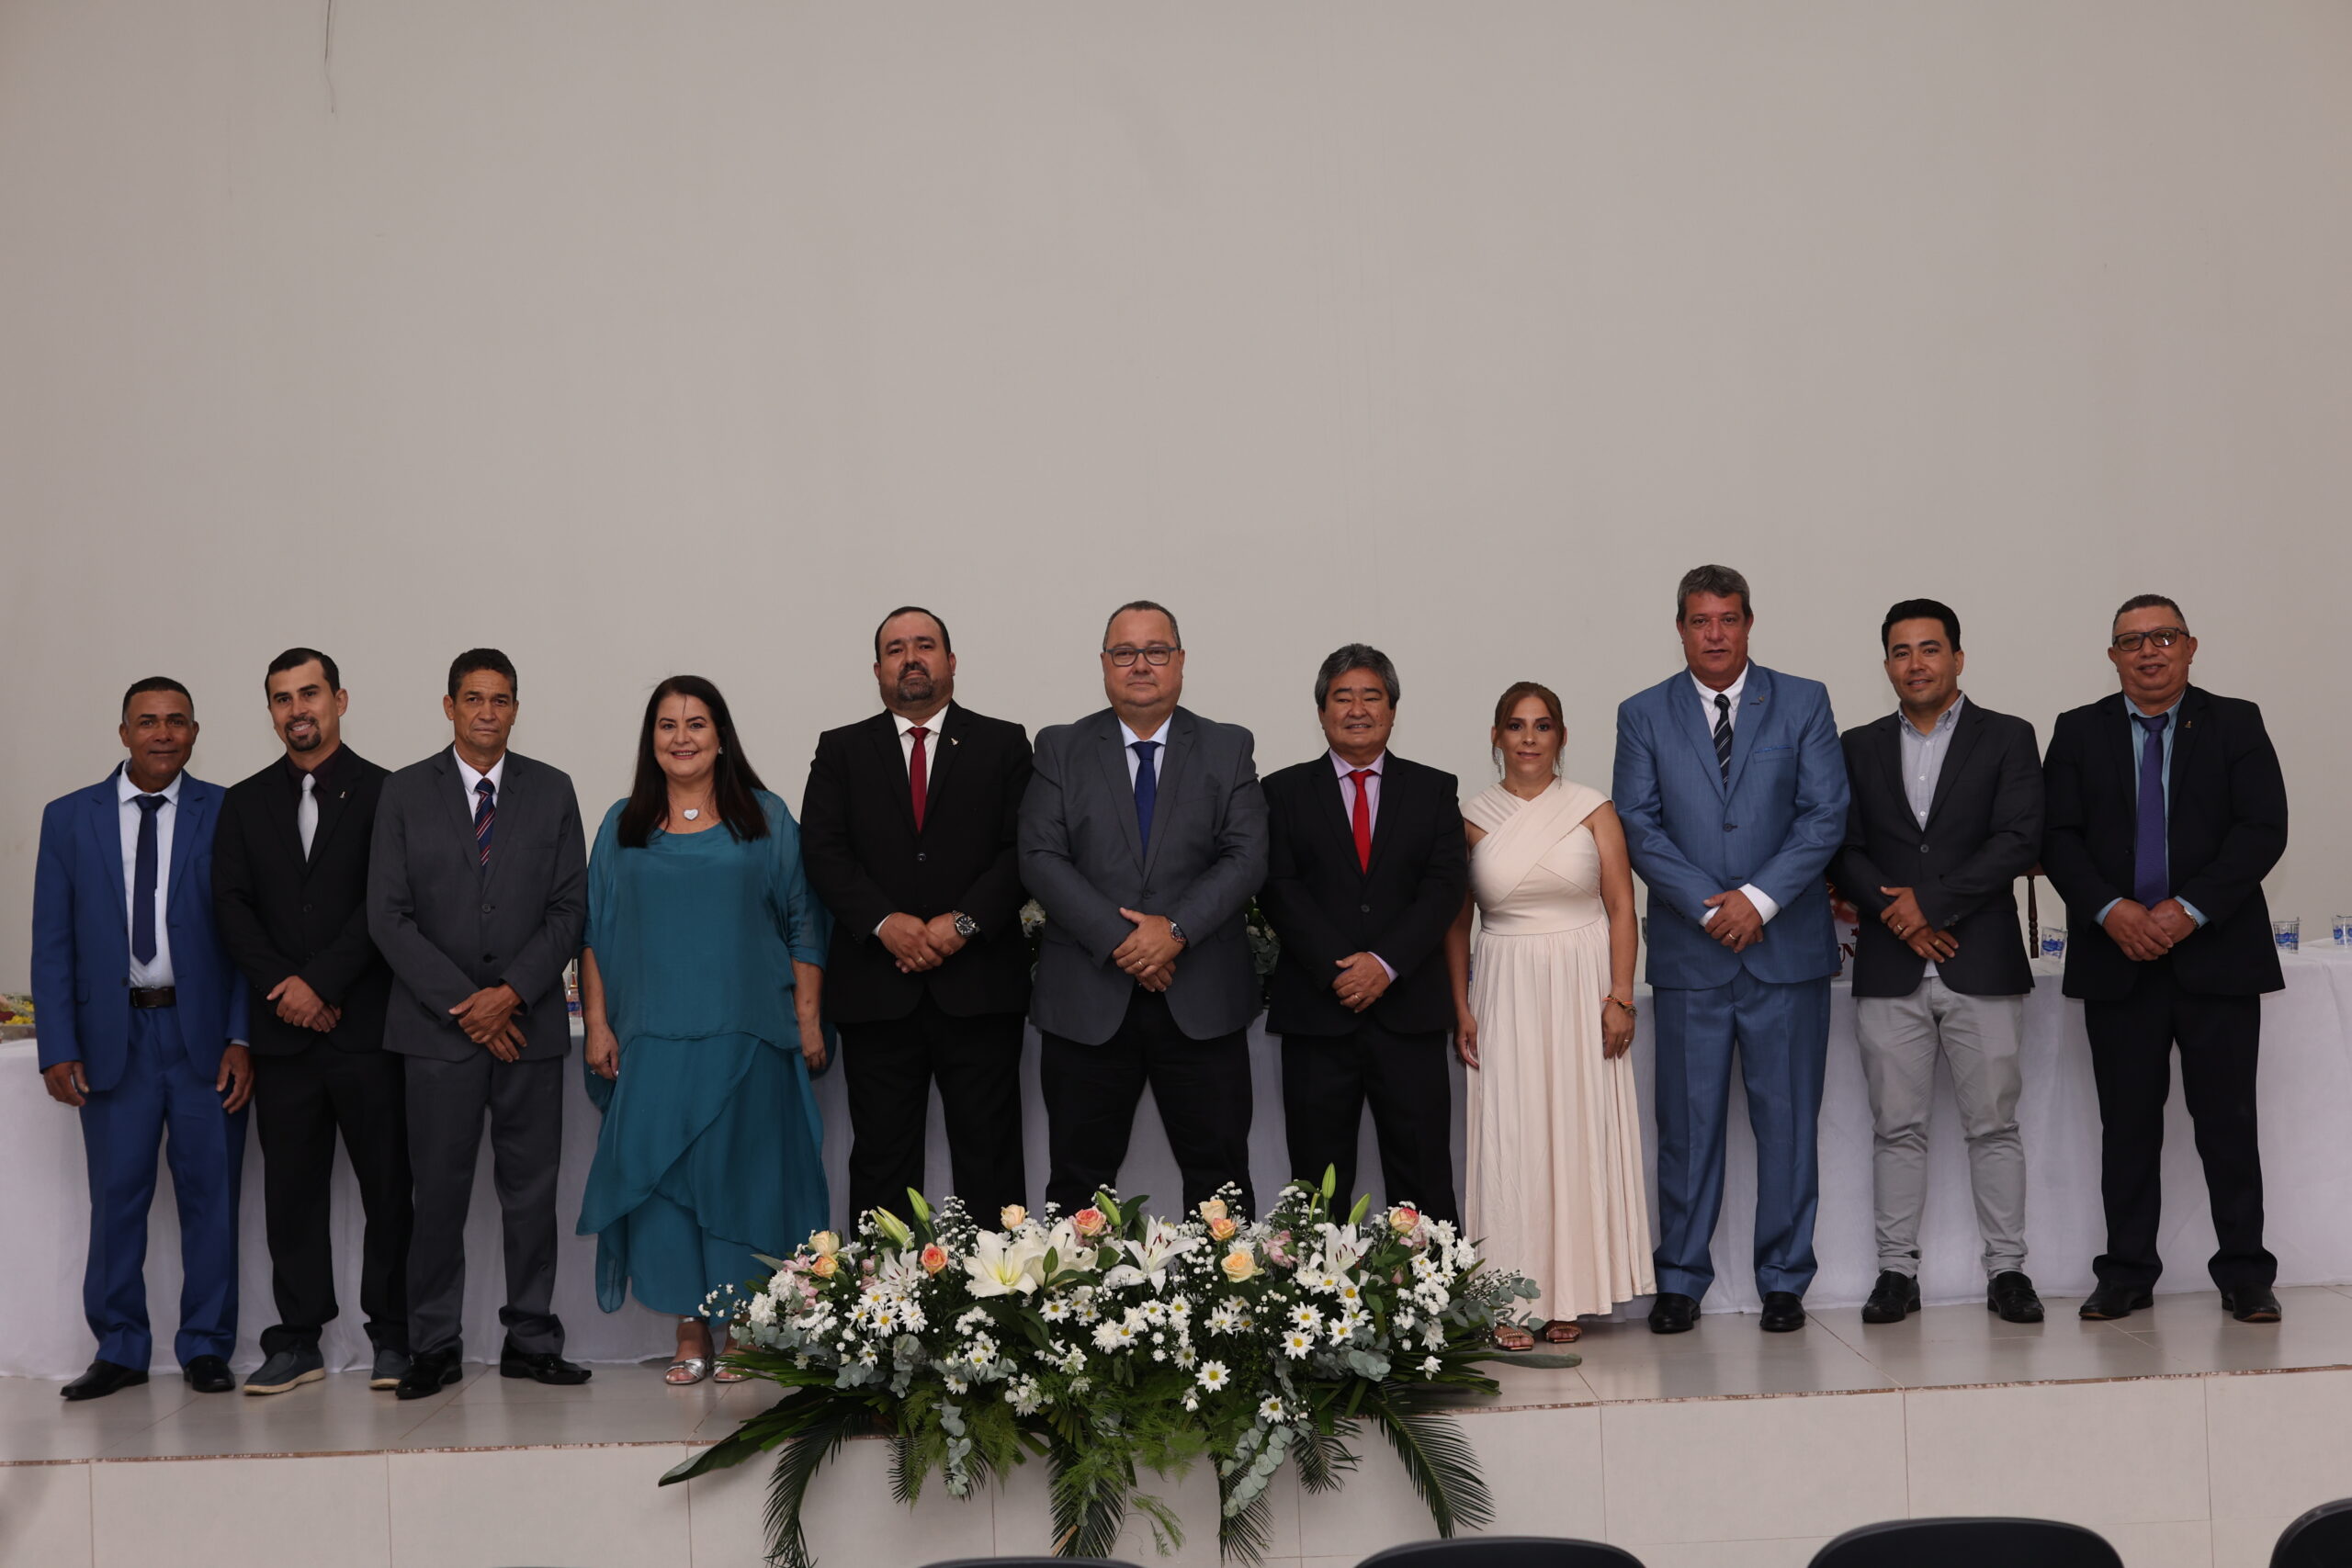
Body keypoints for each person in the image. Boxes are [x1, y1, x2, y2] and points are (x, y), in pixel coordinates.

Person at [1614, 565, 1848, 1334]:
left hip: (1786, 950)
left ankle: (1784, 1279)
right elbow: (1638, 824)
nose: (1714, 634)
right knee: (1686, 1128)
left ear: (1749, 623)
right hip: (1693, 953)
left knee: (1789, 1126)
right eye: (1699, 620)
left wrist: (1759, 899)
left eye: (1728, 618)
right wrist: (1712, 907)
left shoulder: (1804, 700)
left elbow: (1825, 814)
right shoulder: (1642, 713)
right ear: (1680, 628)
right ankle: (1680, 1277)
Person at [577, 676, 831, 1383]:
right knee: (666, 1183)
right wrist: (597, 1022)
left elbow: (804, 922)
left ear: (721, 736)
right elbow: (595, 932)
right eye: (667, 724)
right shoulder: (621, 824)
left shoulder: (767, 817)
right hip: (652, 1039)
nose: (681, 737)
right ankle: (691, 1325)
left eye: (696, 723)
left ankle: (746, 1324)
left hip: (750, 1037)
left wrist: (808, 1016)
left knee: (742, 1182)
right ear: (651, 740)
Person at [2041, 594, 2288, 1324]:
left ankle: (2245, 1273)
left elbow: (2263, 827)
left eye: (2163, 636)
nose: (2149, 651)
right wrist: (2111, 910)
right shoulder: (2078, 730)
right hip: (2117, 959)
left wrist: (2189, 909)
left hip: (2217, 956)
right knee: (2127, 1128)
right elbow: (2057, 837)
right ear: (2112, 655)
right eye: (2132, 641)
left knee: (2228, 1125)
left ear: (2190, 646)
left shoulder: (2236, 722)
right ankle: (2126, 1272)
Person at [368, 649, 590, 1397]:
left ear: (515, 708)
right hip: (437, 1035)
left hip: (529, 1030)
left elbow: (569, 909)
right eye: (473, 698)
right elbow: (387, 916)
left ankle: (531, 1338)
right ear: (449, 706)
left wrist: (511, 993)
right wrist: (471, 1006)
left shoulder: (553, 789)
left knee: (532, 1194)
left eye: (500, 699)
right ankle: (433, 1344)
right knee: (437, 1196)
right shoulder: (404, 791)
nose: (487, 711)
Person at [32, 678, 254, 1401]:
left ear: (196, 732)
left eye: (177, 721)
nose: (163, 733)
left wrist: (241, 1034)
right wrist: (57, 1043)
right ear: (123, 732)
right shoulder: (69, 818)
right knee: (117, 1197)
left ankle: (207, 1345)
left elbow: (252, 939)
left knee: (211, 1197)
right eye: (148, 721)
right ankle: (120, 1347)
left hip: (203, 1038)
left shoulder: (229, 812)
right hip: (112, 1039)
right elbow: (52, 941)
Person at [1828, 603, 2045, 1326]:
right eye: (1901, 651)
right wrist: (1900, 915)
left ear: (1957, 657)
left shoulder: (2008, 736)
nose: (1915, 663)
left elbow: (2019, 839)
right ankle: (1896, 1272)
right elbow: (1842, 847)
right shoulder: (1856, 745)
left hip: (1981, 959)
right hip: (1890, 966)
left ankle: (2008, 1270)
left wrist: (1931, 904)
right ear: (1887, 663)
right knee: (1896, 1127)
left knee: (1994, 1125)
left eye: (1930, 648)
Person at [1021, 600, 1270, 1215]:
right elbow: (1040, 857)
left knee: (1220, 1182)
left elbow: (1246, 856)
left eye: (1156, 651)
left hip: (1202, 996)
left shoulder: (1227, 746)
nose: (1140, 665)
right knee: (1079, 1184)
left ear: (1180, 661)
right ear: (1104, 664)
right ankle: (1080, 1285)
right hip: (1088, 998)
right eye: (1125, 652)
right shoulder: (1059, 747)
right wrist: (1126, 942)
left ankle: (1223, 1283)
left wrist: (1175, 930)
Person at [214, 648, 413, 1393]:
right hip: (283, 1037)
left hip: (367, 1030)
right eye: (282, 697)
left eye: (310, 693)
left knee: (388, 1189)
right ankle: (297, 1339)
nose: (297, 708)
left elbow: (386, 901)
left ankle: (394, 1334)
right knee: (290, 1196)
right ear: (271, 711)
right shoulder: (244, 801)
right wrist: (286, 989)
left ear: (340, 699)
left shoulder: (390, 792)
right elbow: (231, 908)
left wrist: (321, 982)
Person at [801, 607, 1033, 1224]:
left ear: (951, 661)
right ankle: (884, 1288)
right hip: (878, 990)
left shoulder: (1004, 742)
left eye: (925, 645)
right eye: (896, 648)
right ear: (878, 669)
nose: (911, 658)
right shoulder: (841, 749)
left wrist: (963, 923)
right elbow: (822, 850)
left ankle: (998, 1286)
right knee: (882, 1164)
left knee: (990, 1160)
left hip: (981, 990)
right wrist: (885, 923)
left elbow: (1024, 850)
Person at [1447, 682, 1653, 1347]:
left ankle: (1572, 1294)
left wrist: (1621, 996)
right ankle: (1509, 1297)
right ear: (1496, 736)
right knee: (1512, 1136)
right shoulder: (1472, 816)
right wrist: (1461, 1004)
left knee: (1577, 1129)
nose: (1529, 738)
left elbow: (1622, 906)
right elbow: (1457, 923)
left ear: (1561, 736)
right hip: (1504, 984)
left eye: (1542, 725)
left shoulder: (1593, 808)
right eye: (1516, 725)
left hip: (1582, 984)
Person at [1261, 644, 1466, 1224]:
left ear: (1393, 709)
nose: (1357, 709)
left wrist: (1385, 964)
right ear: (1321, 712)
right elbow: (1276, 886)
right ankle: (1319, 1284)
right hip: (1317, 1016)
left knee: (1423, 1175)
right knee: (1317, 1184)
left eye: (1371, 696)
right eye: (1342, 697)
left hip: (1409, 1012)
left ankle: (1434, 1282)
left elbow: (1445, 886)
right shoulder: (1282, 791)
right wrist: (1340, 968)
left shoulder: (1432, 789)